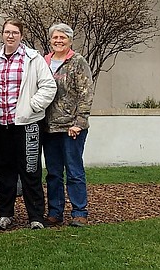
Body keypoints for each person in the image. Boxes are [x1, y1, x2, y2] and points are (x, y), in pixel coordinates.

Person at [0, 19, 56, 231]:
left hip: (27, 125)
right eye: (7, 32)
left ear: (21, 35)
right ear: (2, 34)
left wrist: (31, 106)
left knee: (30, 171)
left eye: (15, 32)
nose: (10, 36)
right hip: (1, 124)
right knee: (4, 172)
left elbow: (48, 86)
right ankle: (5, 215)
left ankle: (35, 216)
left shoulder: (33, 59)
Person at [41, 23, 94, 228]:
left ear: (70, 41)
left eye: (63, 37)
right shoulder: (44, 61)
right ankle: (55, 212)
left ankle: (79, 212)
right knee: (53, 173)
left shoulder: (78, 61)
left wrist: (79, 122)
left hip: (71, 127)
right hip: (49, 127)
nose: (58, 41)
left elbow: (86, 93)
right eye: (55, 37)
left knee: (74, 171)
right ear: (50, 40)